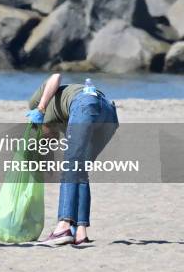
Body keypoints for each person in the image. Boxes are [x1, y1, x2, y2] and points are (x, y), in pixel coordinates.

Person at [26, 73, 119, 245]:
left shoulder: (36, 104)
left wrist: (40, 108)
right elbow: (50, 141)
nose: (44, 139)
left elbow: (56, 76)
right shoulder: (59, 122)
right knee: (79, 171)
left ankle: (63, 227)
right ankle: (80, 233)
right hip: (108, 115)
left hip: (85, 104)